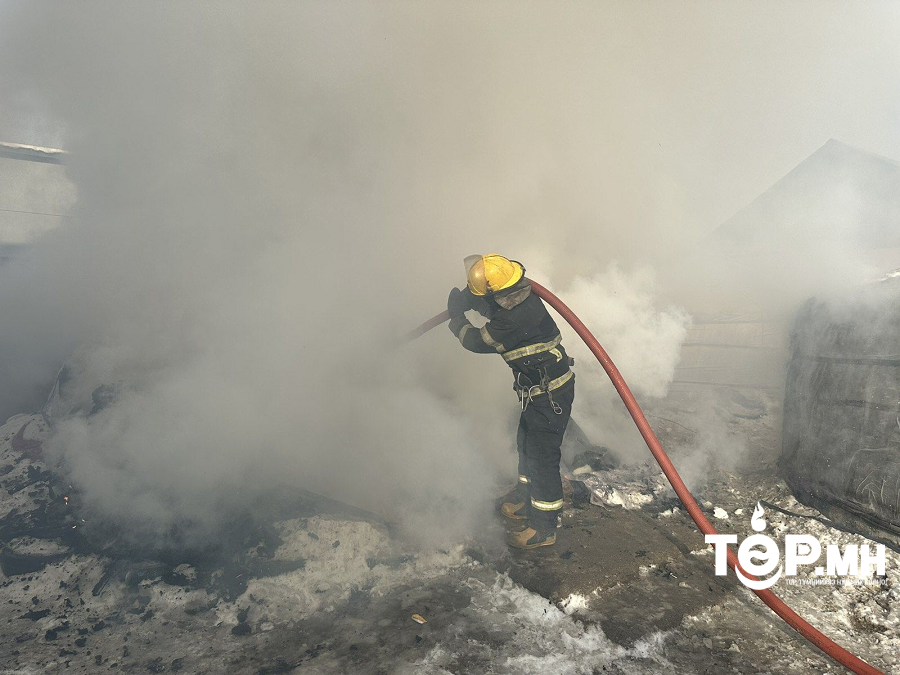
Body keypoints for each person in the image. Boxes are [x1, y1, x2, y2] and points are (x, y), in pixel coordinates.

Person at [447, 254, 575, 549]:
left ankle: (544, 527)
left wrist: (457, 318)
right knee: (525, 444)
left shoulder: (515, 318)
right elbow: (494, 302)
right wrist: (470, 297)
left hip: (550, 394)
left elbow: (477, 341)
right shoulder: (516, 294)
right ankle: (524, 496)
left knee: (542, 459)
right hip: (535, 392)